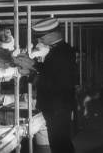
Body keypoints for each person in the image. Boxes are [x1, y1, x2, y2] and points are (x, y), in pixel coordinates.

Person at [14, 18, 76, 153]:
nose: (39, 41)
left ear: (52, 35)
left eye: (41, 37)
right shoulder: (61, 50)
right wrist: (33, 65)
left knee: (59, 143)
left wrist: (30, 73)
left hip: (57, 106)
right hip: (59, 105)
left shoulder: (60, 53)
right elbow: (52, 72)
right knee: (60, 142)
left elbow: (55, 84)